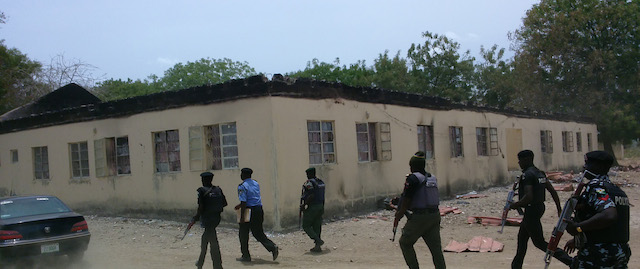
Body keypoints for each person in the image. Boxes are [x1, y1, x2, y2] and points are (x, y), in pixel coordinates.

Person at [564, 151, 631, 268]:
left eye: (588, 164)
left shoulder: (596, 187)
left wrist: (578, 228)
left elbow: (609, 215)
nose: (584, 167)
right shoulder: (616, 190)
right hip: (618, 254)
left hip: (599, 255)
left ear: (600, 167)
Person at [508, 149, 572, 268]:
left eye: (520, 160)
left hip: (532, 210)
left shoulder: (527, 175)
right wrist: (559, 209)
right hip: (538, 208)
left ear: (526, 160)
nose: (519, 163)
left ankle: (570, 261)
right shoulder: (539, 173)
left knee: (539, 242)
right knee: (522, 239)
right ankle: (516, 266)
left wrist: (515, 205)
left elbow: (528, 196)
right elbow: (552, 191)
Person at [395, 151, 446, 269]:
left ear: (413, 166)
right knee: (436, 249)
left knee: (405, 243)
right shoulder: (432, 178)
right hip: (434, 216)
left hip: (420, 218)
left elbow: (407, 199)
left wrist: (400, 213)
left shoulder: (413, 179)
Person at [234, 168, 279, 262]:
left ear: (244, 175)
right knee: (258, 232)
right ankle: (272, 247)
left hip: (249, 211)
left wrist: (242, 217)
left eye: (241, 174)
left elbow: (244, 201)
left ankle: (246, 256)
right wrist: (239, 205)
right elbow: (253, 197)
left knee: (243, 234)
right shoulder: (255, 183)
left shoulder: (242, 186)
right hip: (258, 209)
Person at [192, 172, 227, 269]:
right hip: (216, 219)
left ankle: (214, 265)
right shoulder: (218, 190)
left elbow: (201, 206)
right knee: (206, 240)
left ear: (204, 180)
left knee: (211, 244)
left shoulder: (202, 191)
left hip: (207, 220)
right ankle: (201, 263)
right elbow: (224, 203)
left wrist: (196, 217)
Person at [300, 167, 326, 252]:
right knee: (317, 226)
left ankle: (317, 240)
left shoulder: (310, 183)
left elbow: (311, 196)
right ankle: (317, 247)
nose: (307, 176)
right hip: (320, 206)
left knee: (306, 225)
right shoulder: (320, 182)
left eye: (307, 174)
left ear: (310, 174)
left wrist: (304, 205)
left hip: (313, 206)